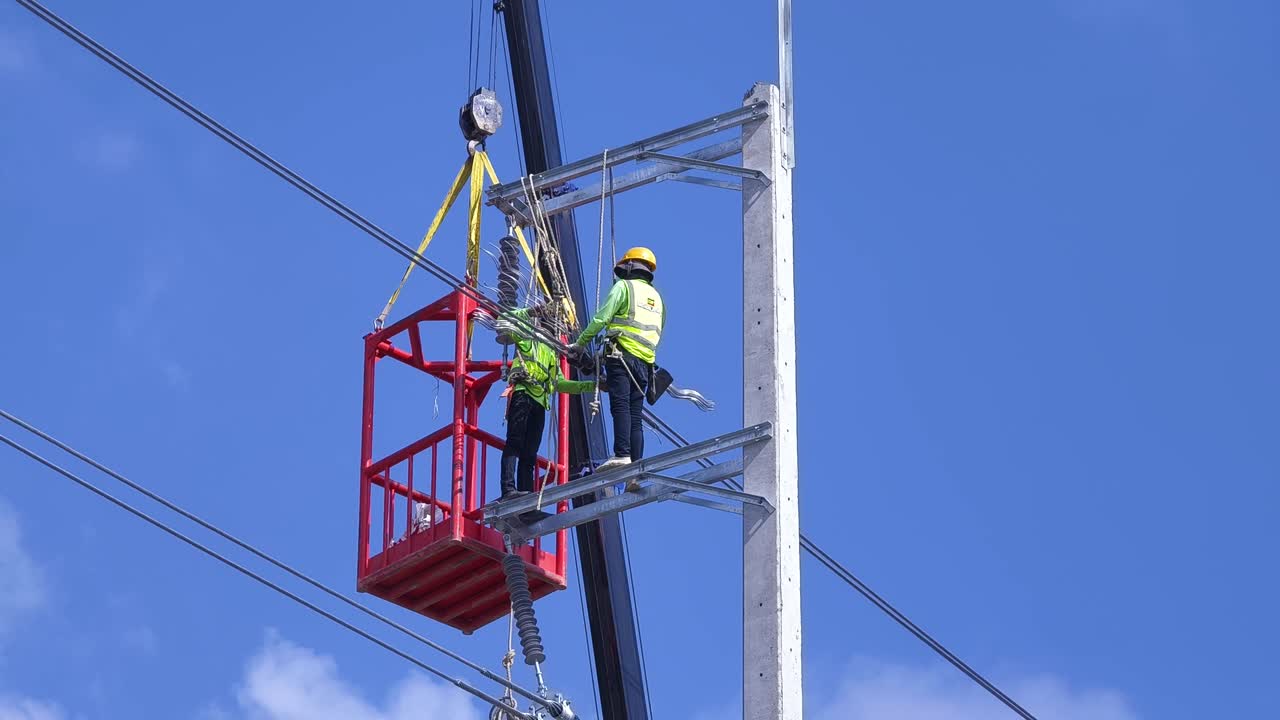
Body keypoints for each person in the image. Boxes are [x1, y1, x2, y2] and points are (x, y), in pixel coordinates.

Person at [573, 247, 664, 472]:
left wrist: (581, 343)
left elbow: (601, 318)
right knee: (635, 414)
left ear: (629, 266)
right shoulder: (658, 299)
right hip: (645, 363)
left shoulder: (624, 287)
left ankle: (622, 454)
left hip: (621, 355)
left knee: (620, 405)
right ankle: (636, 467)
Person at [497, 305, 595, 500]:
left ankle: (525, 496)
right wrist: (530, 311)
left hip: (540, 402)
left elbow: (560, 383)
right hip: (523, 394)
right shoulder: (527, 336)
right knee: (515, 442)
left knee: (530, 452)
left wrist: (591, 386)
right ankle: (508, 489)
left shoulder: (552, 352)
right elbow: (504, 317)